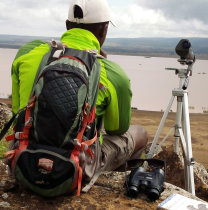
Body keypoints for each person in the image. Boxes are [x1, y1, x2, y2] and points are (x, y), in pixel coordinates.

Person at [11, 0, 148, 181]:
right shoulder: (112, 73)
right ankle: (109, 184)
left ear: (67, 25)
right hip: (74, 166)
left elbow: (17, 112)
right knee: (140, 134)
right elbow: (117, 128)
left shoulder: (27, 52)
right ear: (104, 30)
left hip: (24, 159)